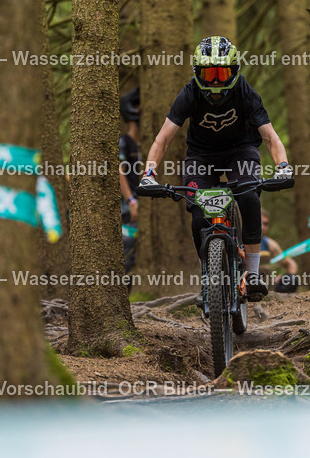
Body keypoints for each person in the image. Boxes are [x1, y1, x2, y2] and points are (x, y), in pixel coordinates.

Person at [141, 36, 292, 301]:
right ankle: (208, 281)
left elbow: (270, 137)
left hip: (240, 150)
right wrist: (149, 173)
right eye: (209, 73)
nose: (215, 81)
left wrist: (283, 167)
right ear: (197, 73)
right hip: (201, 156)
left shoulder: (244, 91)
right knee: (199, 213)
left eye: (221, 73)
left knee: (248, 196)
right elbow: (162, 139)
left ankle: (253, 273)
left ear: (233, 71)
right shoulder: (189, 93)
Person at [119, 87, 141, 272]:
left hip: (142, 201)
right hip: (128, 207)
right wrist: (131, 201)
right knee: (127, 249)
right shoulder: (124, 142)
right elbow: (120, 172)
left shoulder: (146, 143)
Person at [259, 209, 299, 293]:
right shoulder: (240, 240)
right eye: (259, 223)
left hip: (267, 285)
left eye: (265, 224)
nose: (262, 227)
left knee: (292, 280)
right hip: (244, 282)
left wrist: (285, 277)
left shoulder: (270, 244)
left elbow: (291, 264)